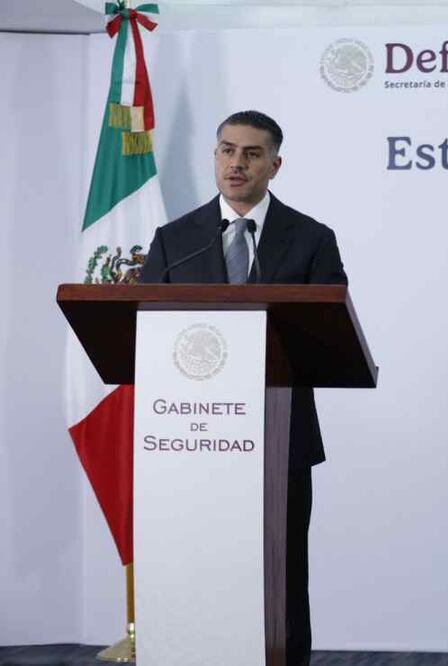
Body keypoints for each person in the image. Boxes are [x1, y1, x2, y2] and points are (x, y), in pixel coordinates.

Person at [141, 110, 347, 666]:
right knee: (195, 565)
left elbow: (329, 336)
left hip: (279, 434)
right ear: (214, 156)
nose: (237, 163)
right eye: (227, 150)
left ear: (274, 165)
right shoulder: (173, 240)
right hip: (190, 435)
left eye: (252, 153)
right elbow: (146, 337)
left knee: (281, 567)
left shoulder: (311, 239)